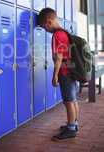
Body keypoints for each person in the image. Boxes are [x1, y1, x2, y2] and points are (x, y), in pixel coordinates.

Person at [38, 8, 79, 140]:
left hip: (65, 72)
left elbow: (59, 57)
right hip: (71, 70)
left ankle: (71, 129)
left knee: (68, 101)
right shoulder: (65, 32)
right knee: (73, 100)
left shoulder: (58, 35)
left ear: (48, 22)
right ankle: (74, 124)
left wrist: (55, 75)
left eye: (45, 28)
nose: (46, 30)